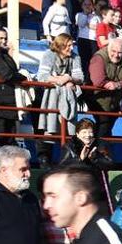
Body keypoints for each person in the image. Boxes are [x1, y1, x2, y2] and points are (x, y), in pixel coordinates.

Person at [36, 33, 85, 166]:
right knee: (49, 129)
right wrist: (60, 80)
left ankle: (67, 162)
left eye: (72, 45)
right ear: (60, 46)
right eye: (68, 46)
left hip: (68, 99)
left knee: (69, 131)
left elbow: (80, 76)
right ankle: (44, 161)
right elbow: (42, 75)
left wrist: (68, 77)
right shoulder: (49, 55)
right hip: (50, 98)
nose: (71, 48)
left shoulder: (75, 57)